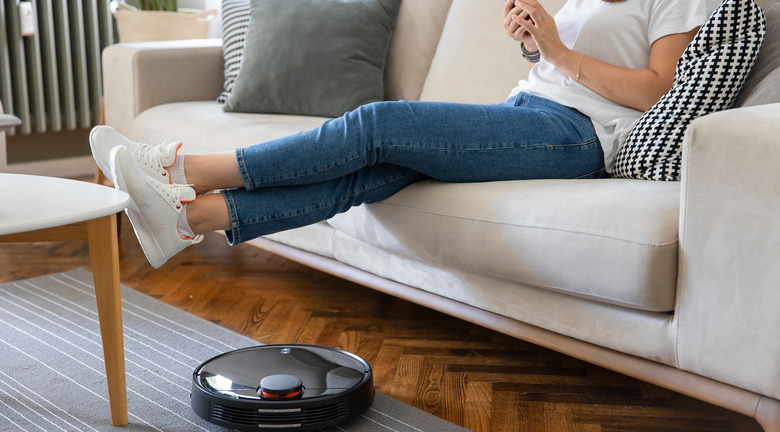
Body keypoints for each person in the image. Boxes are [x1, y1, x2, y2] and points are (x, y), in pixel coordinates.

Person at [91, 0, 714, 269]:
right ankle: (191, 221)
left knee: (377, 124)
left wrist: (557, 48)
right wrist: (535, 46)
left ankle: (182, 168)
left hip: (577, 138)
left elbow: (658, 90)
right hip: (532, 109)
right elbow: (562, 67)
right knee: (368, 171)